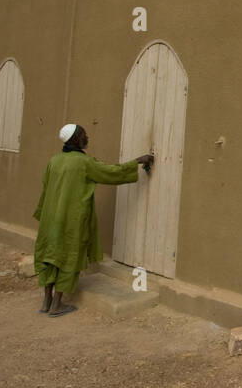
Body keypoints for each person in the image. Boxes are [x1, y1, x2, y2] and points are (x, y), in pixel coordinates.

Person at [33, 123, 153, 316]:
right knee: (68, 256)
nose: (86, 137)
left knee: (50, 256)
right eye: (83, 135)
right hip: (71, 220)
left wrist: (42, 213)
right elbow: (111, 172)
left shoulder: (54, 161)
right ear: (75, 139)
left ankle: (46, 302)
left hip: (50, 219)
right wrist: (138, 161)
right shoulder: (83, 163)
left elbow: (45, 189)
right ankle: (57, 305)